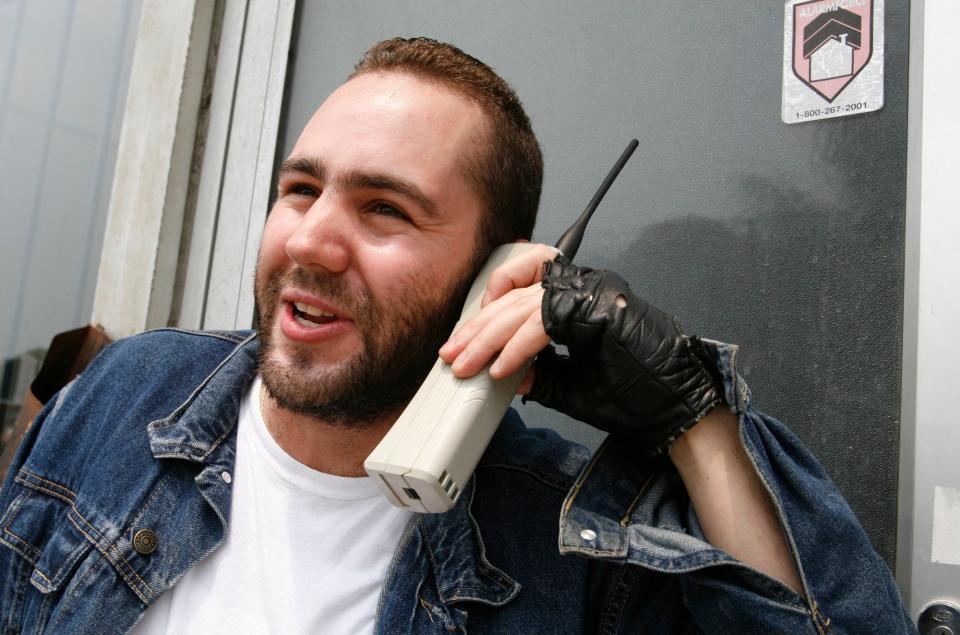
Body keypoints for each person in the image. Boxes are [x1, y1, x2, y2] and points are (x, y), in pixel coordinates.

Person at [0, 37, 912, 634]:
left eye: (384, 208)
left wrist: (694, 421)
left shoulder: (562, 540)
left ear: (496, 273)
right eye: (300, 188)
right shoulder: (125, 393)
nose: (310, 238)